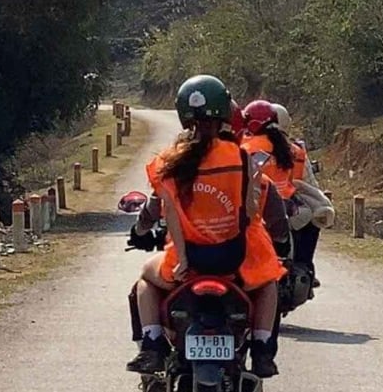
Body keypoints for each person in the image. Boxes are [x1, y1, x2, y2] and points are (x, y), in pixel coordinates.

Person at [126, 75, 286, 378]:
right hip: (234, 261)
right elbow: (250, 210)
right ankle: (263, 351)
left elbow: (166, 210)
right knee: (268, 284)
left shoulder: (170, 161)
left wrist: (183, 258)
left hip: (188, 263)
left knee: (145, 282)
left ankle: (153, 344)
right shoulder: (240, 157)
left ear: (184, 117)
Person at [266, 103, 334, 273]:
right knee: (312, 220)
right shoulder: (295, 151)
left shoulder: (246, 148)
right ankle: (305, 266)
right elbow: (310, 184)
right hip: (289, 209)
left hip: (258, 210)